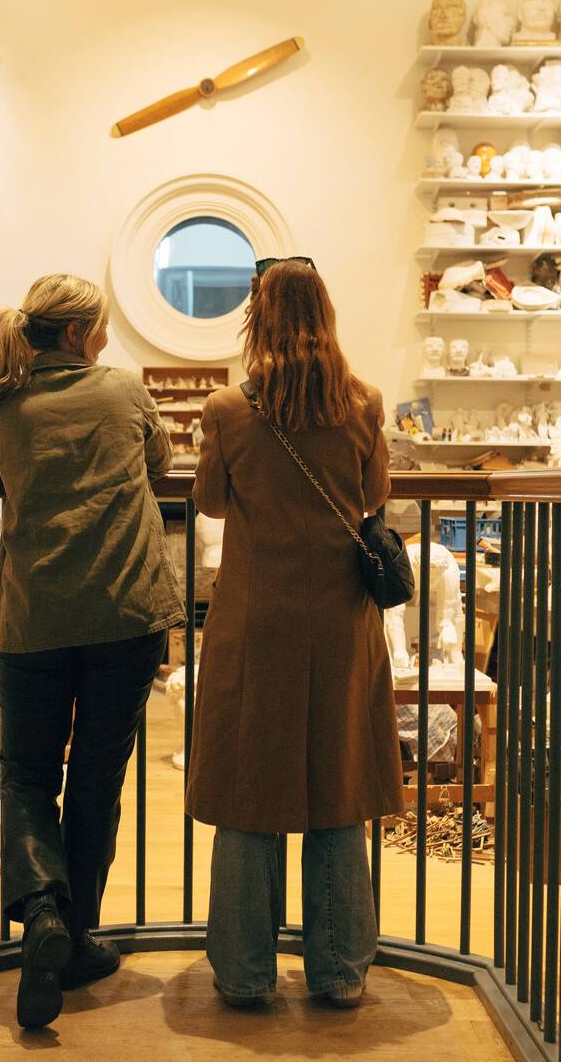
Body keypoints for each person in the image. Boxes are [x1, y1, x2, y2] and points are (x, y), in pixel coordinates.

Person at [187, 258, 402, 1009]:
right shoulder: (364, 402)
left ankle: (246, 974)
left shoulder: (227, 408)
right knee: (337, 788)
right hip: (342, 621)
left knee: (251, 791)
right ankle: (339, 972)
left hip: (256, 622)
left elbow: (211, 502)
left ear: (259, 319)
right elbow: (373, 496)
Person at [0, 273, 185, 1030]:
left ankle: (41, 916)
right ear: (74, 335)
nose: (103, 339)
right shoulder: (124, 393)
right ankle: (80, 935)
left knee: (28, 774)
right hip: (122, 614)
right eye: (98, 327)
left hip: (32, 619)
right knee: (97, 776)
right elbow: (158, 463)